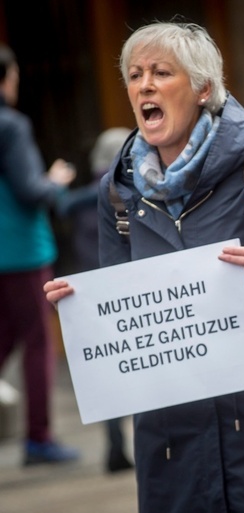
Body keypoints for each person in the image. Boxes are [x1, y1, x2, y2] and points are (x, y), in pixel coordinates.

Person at [43, 22, 244, 513]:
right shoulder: (117, 193)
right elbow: (122, 307)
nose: (144, 85)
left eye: (162, 72)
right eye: (135, 74)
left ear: (203, 89)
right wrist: (86, 311)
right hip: (175, 448)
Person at [0, 42, 80, 465]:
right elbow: (31, 191)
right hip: (21, 251)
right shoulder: (10, 126)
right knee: (37, 341)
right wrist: (57, 180)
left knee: (4, 337)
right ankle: (39, 437)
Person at [56, 126, 134, 473]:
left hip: (89, 294)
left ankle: (115, 449)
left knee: (108, 374)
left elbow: (60, 206)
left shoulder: (79, 200)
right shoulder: (132, 191)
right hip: (126, 291)